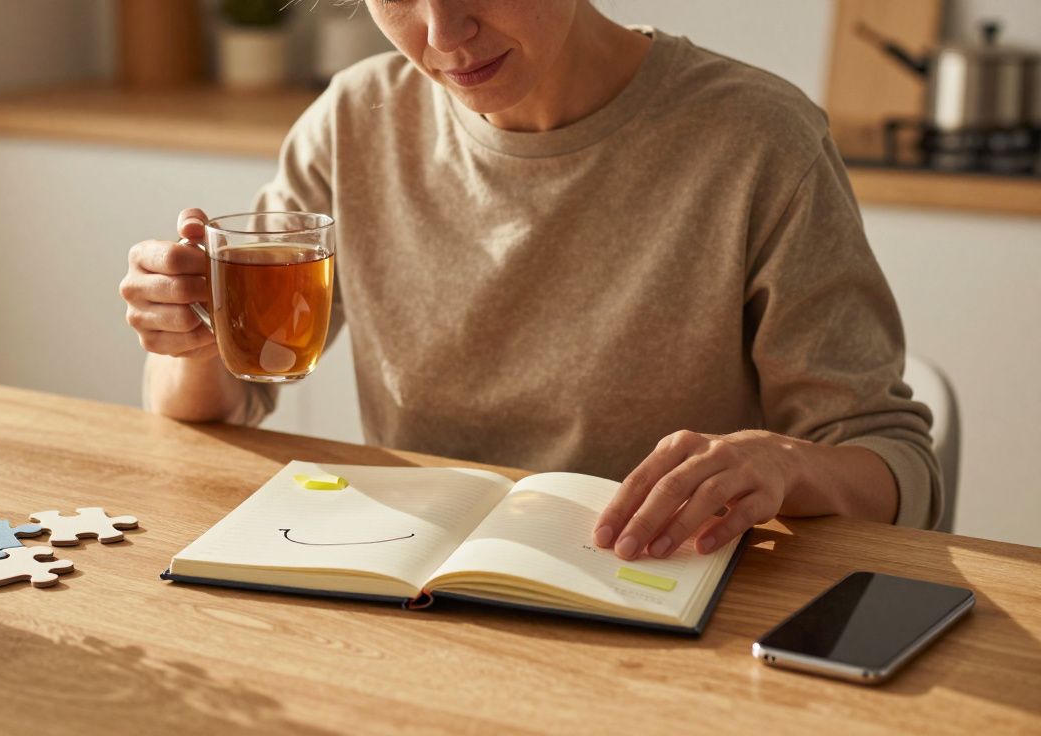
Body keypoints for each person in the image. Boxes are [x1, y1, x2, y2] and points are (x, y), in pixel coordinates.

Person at [119, 1, 942, 562]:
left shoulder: (759, 142)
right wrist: (190, 338)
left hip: (656, 607)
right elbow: (224, 398)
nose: (443, 32)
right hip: (412, 605)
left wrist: (786, 465)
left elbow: (894, 462)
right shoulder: (354, 121)